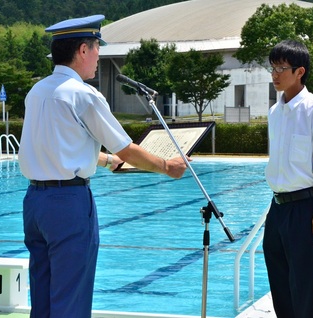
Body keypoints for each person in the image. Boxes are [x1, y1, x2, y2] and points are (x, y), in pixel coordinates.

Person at [18, 15, 188, 318]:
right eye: (97, 47)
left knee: (42, 298)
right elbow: (126, 148)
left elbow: (53, 145)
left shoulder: (38, 92)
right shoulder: (84, 94)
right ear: (83, 50)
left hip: (35, 203)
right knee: (71, 297)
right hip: (68, 203)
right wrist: (166, 166)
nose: (99, 56)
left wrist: (107, 160)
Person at [263, 40, 313, 318]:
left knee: (304, 287)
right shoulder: (274, 112)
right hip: (278, 208)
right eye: (273, 68)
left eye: (282, 68)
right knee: (280, 285)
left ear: (300, 71)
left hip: (306, 207)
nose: (275, 74)